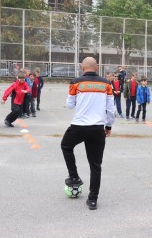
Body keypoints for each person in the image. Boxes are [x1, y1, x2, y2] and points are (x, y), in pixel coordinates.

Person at [60, 57, 115, 210]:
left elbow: (69, 105)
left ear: (82, 68)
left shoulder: (75, 82)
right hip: (97, 128)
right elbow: (111, 109)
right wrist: (108, 126)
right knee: (95, 165)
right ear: (96, 68)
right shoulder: (106, 84)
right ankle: (93, 200)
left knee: (66, 146)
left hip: (79, 126)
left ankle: (74, 176)